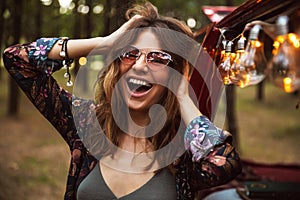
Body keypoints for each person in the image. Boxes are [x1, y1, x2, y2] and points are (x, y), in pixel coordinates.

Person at [3, 2, 242, 200]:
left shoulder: (183, 146)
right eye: (129, 54)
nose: (139, 66)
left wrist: (183, 95)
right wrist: (104, 43)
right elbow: (17, 59)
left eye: (157, 58)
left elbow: (225, 162)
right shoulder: (87, 122)